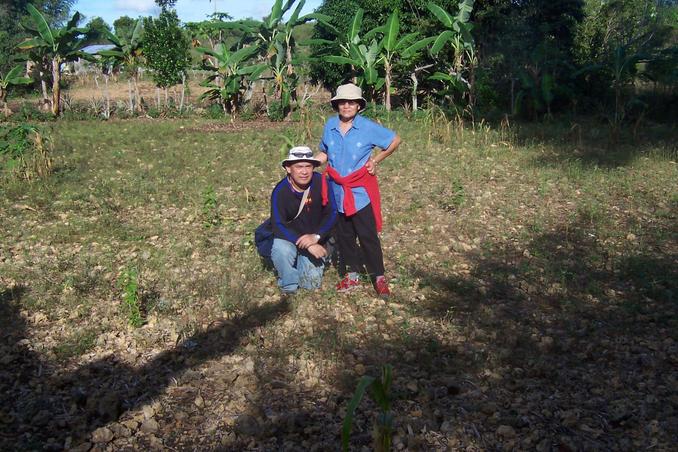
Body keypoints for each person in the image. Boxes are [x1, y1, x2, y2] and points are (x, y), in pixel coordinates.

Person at [316, 83, 401, 298]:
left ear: (358, 106)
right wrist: (307, 163)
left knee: (367, 236)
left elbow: (394, 140)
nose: (346, 106)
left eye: (351, 102)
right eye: (342, 102)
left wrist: (376, 160)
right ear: (336, 105)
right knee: (344, 236)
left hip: (359, 193)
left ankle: (379, 277)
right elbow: (324, 153)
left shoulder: (367, 127)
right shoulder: (330, 126)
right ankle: (352, 276)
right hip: (337, 190)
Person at [270, 146, 337, 295]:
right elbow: (277, 224)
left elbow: (332, 213)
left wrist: (317, 236)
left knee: (310, 284)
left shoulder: (322, 182)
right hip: (291, 237)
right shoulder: (280, 191)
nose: (304, 171)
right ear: (288, 168)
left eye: (308, 166)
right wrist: (306, 245)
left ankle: (301, 261)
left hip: (316, 237)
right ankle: (289, 285)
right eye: (299, 166)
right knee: (281, 249)